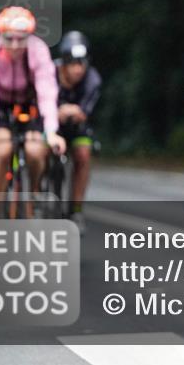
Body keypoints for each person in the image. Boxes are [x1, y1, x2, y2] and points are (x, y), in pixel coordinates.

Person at [0, 7, 66, 212]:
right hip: (0, 105)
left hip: (29, 103)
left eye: (21, 38)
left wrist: (52, 131)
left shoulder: (38, 50)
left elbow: (46, 92)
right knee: (2, 150)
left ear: (29, 36)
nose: (15, 44)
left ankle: (34, 189)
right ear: (1, 36)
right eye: (10, 38)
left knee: (35, 151)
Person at [55, 31, 102, 233]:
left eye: (81, 63)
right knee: (39, 152)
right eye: (72, 63)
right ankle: (39, 197)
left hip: (76, 126)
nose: (77, 69)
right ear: (63, 62)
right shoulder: (49, 72)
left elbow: (85, 112)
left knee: (83, 154)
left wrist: (73, 112)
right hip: (51, 125)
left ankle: (76, 209)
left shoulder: (92, 79)